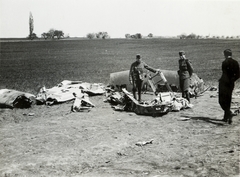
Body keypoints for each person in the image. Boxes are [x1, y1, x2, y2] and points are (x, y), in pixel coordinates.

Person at [219, 49, 239, 124]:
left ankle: (229, 113)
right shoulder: (235, 62)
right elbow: (238, 74)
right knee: (228, 99)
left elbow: (224, 73)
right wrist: (232, 80)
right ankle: (226, 117)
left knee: (221, 100)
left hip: (224, 83)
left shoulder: (224, 62)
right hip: (230, 83)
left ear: (225, 54)